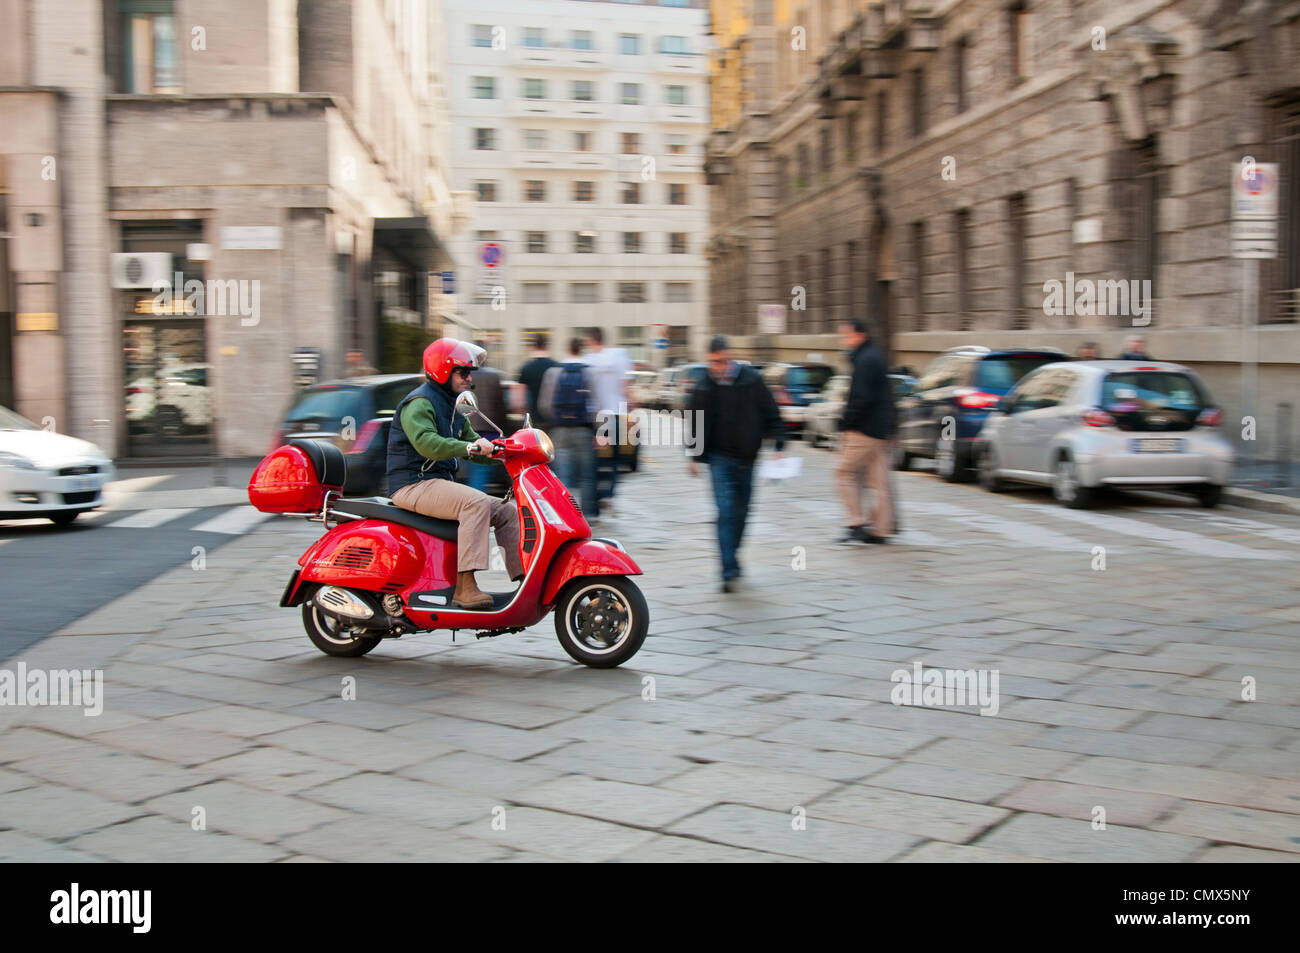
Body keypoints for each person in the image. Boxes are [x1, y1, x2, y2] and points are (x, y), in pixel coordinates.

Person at [386, 339, 521, 610]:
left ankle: (523, 579)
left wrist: (508, 453)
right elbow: (427, 443)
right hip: (413, 484)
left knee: (507, 511)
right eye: (463, 372)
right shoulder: (420, 403)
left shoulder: (454, 406)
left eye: (468, 372)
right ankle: (465, 587)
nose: (469, 378)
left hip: (436, 483)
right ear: (442, 370)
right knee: (476, 502)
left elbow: (474, 444)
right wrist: (469, 447)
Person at [688, 334, 785, 592]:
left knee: (742, 513)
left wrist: (779, 445)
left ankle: (732, 554)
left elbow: (771, 411)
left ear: (729, 357)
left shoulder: (751, 379)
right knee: (725, 511)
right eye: (713, 362)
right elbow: (694, 421)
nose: (718, 368)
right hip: (718, 459)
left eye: (722, 361)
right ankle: (728, 569)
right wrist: (694, 456)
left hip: (746, 458)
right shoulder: (704, 385)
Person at [836, 318, 895, 544]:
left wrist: (846, 423)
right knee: (878, 482)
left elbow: (860, 398)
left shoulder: (865, 360)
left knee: (842, 472)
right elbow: (887, 396)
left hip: (863, 430)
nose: (844, 340)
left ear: (860, 335)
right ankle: (881, 529)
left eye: (847, 336)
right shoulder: (875, 356)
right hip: (879, 430)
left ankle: (855, 522)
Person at [539, 338, 599, 521]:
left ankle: (565, 516)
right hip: (584, 430)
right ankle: (589, 516)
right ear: (582, 350)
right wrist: (597, 430)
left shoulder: (553, 372)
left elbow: (544, 405)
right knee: (587, 475)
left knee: (563, 476)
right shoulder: (590, 372)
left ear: (567, 349)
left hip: (559, 430)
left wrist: (555, 420)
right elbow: (597, 405)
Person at [584, 328, 632, 515]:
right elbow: (625, 388)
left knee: (596, 460)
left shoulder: (588, 361)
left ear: (591, 340)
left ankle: (596, 500)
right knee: (615, 459)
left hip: (597, 417)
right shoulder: (619, 356)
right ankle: (608, 495)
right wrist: (631, 412)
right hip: (616, 415)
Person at [464, 341, 508, 493]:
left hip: (467, 431)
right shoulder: (492, 376)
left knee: (473, 473)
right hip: (489, 432)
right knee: (481, 474)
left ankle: (473, 499)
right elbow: (500, 407)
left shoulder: (463, 377)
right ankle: (476, 502)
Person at [518, 332, 558, 427]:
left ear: (533, 347)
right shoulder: (556, 366)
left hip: (534, 419)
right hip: (553, 420)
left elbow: (519, 401)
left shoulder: (526, 368)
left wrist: (525, 416)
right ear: (547, 346)